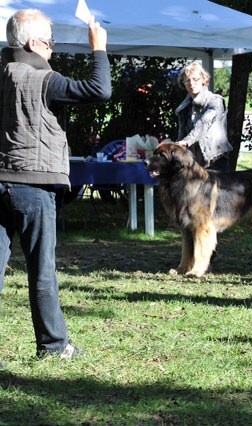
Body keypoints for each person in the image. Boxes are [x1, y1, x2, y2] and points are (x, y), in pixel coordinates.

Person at [0, 9, 111, 361]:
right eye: (50, 42)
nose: (52, 50)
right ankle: (53, 345)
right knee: (41, 271)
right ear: (33, 43)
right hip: (33, 186)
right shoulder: (42, 79)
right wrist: (98, 50)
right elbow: (99, 90)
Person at [175, 62, 232, 172]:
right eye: (187, 80)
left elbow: (204, 122)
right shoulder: (184, 107)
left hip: (215, 160)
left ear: (203, 80)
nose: (191, 83)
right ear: (183, 83)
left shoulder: (216, 100)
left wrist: (187, 141)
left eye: (195, 79)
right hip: (192, 161)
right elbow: (181, 134)